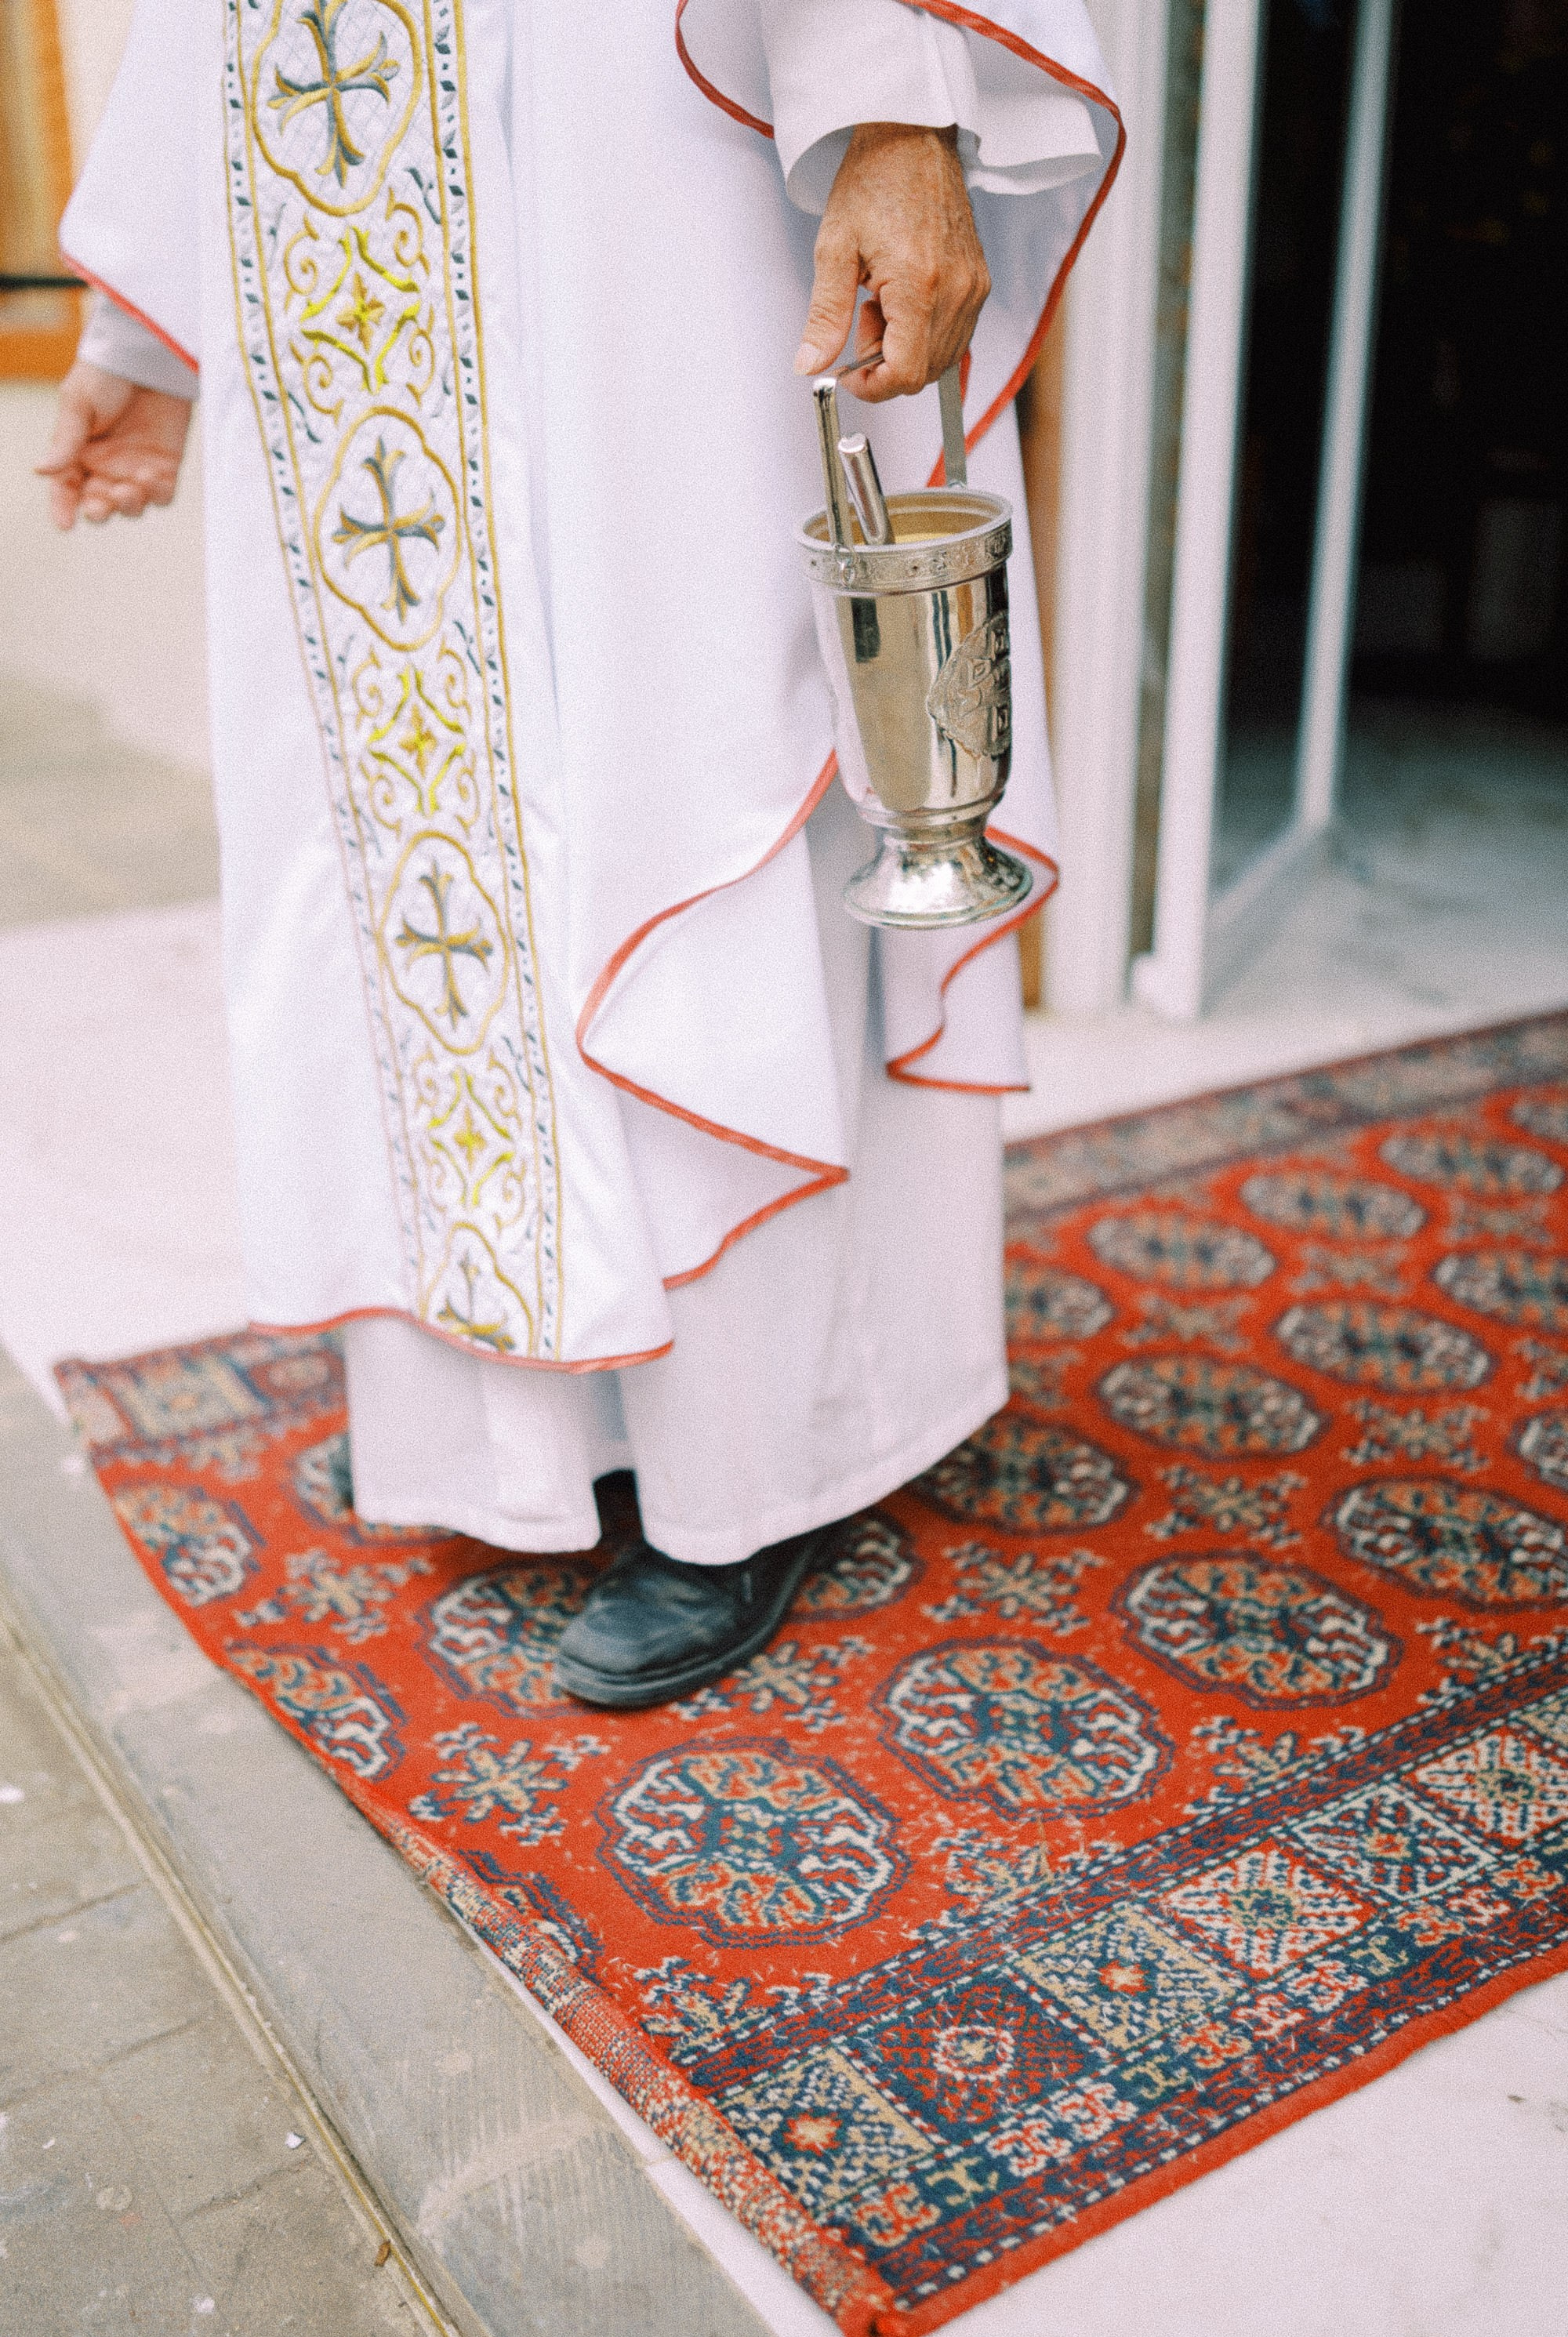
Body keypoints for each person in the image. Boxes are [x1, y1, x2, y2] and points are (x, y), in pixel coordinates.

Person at [41, 0, 1119, 1707]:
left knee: (692, 745)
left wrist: (889, 119)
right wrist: (153, 336)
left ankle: (752, 1463)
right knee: (414, 810)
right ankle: (528, 1424)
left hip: (649, 138)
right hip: (343, 184)